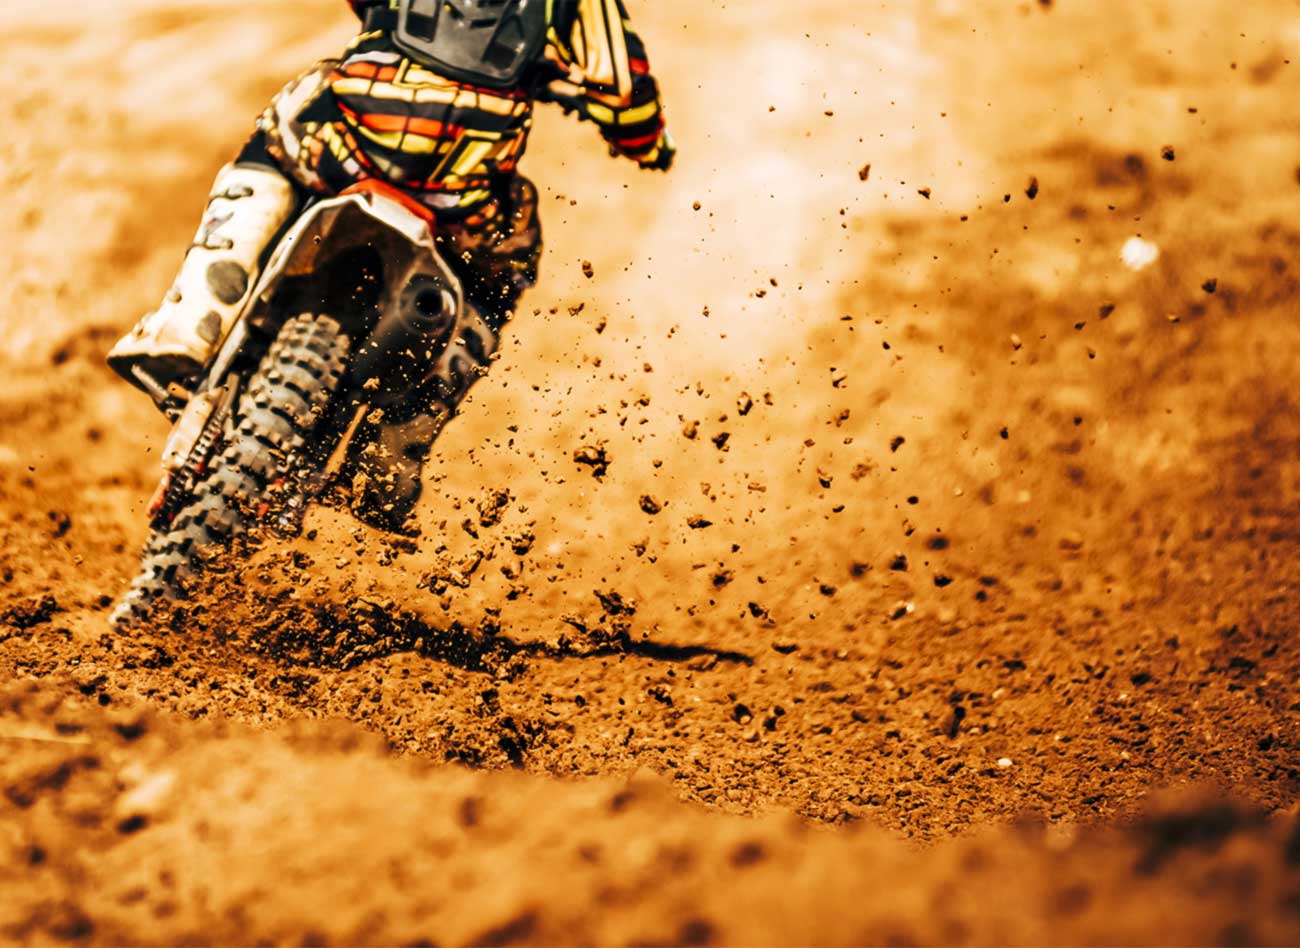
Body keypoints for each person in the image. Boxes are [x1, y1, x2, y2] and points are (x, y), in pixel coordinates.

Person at [108, 0, 673, 530]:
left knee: (273, 150)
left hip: (350, 140)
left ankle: (191, 319)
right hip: (460, 188)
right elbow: (625, 89)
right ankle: (394, 448)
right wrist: (647, 142)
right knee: (507, 258)